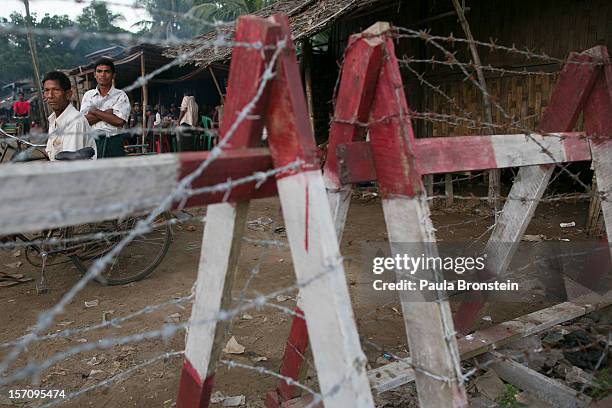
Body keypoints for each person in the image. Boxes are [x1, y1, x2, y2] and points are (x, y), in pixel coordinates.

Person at [42, 71, 96, 161]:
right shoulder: (53, 119)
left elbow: (70, 164)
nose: (50, 95)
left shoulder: (74, 122)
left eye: (56, 90)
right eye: (47, 90)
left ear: (68, 94)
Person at [80, 58, 131, 143]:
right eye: (99, 71)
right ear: (95, 74)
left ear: (113, 75)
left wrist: (94, 111)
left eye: (107, 71)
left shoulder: (121, 95)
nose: (102, 75)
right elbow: (83, 121)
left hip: (113, 141)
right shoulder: (88, 95)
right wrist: (107, 113)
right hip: (92, 141)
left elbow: (119, 121)